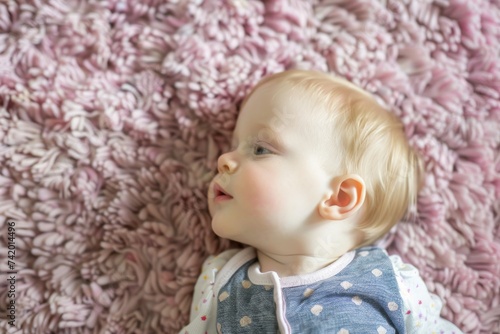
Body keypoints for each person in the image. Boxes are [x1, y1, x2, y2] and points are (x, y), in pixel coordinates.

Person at [180, 70, 463, 333]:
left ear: (339, 198)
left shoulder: (395, 284)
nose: (224, 160)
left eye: (260, 149)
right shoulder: (220, 281)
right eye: (234, 145)